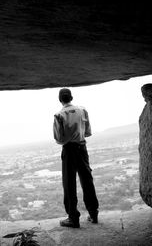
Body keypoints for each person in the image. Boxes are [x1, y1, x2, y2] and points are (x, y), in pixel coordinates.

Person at [53, 88, 99, 228]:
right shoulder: (82, 110)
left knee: (69, 183)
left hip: (69, 150)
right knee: (87, 179)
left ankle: (73, 218)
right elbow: (88, 132)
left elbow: (59, 139)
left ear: (60, 99)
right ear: (71, 97)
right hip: (82, 147)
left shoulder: (59, 115)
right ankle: (93, 213)